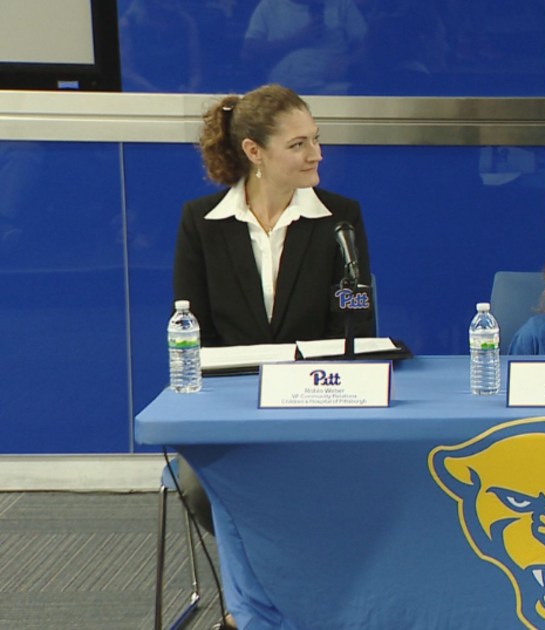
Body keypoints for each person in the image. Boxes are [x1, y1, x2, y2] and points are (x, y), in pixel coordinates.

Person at [172, 83, 372, 630]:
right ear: (255, 153)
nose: (317, 155)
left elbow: (354, 320)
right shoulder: (201, 221)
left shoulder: (341, 218)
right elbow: (191, 330)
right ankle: (255, 612)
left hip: (316, 397)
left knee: (320, 478)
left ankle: (264, 613)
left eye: (317, 140)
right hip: (232, 404)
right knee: (215, 484)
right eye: (299, 144)